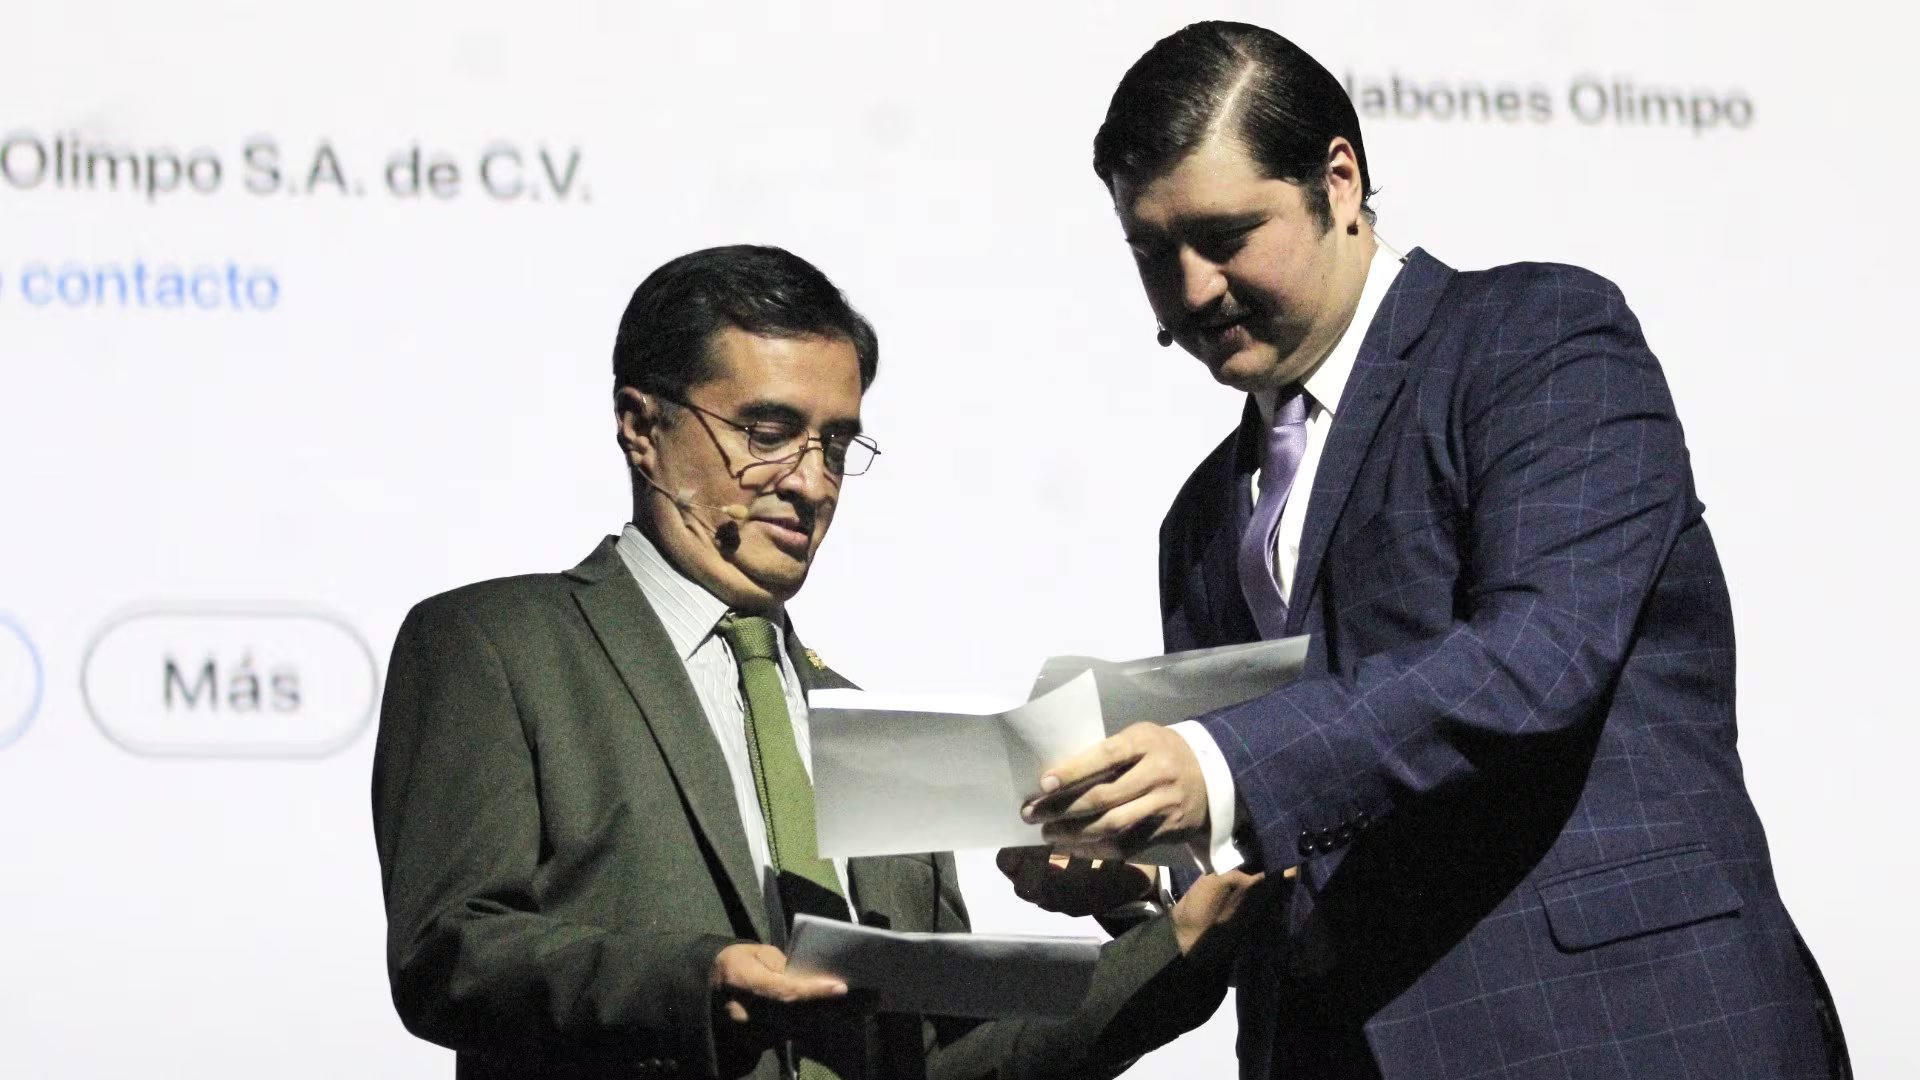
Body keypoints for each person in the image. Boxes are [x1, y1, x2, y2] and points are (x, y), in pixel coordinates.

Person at [1024, 21, 1849, 1080]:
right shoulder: (1199, 519)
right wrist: (1145, 871)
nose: (1191, 290)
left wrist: (1217, 767)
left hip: (1617, 1031)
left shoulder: (1537, 336)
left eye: (1226, 236)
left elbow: (1539, 655)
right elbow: (1288, 830)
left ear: (1339, 180)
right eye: (1152, 253)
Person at [370, 244, 1230, 1080]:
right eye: (769, 432)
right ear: (641, 426)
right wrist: (697, 985)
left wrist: (1170, 937)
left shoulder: (875, 732)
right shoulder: (497, 645)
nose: (813, 483)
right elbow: (449, 954)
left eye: (836, 445)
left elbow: (949, 1060)